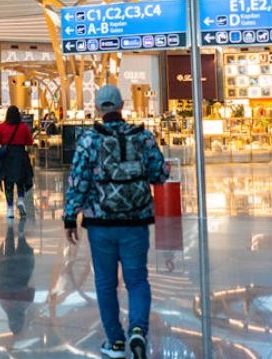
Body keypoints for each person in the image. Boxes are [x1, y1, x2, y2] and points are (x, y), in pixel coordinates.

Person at [64, 85, 170, 359]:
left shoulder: (89, 139)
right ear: (122, 105)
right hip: (136, 221)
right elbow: (159, 175)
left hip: (100, 223)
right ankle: (137, 330)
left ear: (98, 109)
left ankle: (115, 342)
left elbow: (78, 179)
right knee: (137, 280)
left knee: (105, 282)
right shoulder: (143, 137)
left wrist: (69, 216)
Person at [0, 105, 35, 220]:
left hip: (7, 157)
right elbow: (30, 141)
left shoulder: (2, 127)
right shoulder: (23, 127)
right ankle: (21, 200)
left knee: (8, 184)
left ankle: (10, 210)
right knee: (20, 180)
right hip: (20, 156)